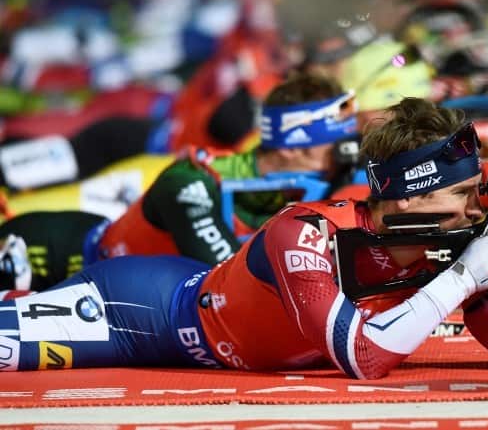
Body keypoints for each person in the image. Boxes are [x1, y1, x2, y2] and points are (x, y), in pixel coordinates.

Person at [0, 98, 488, 375]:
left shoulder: (453, 245)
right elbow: (363, 356)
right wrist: (463, 277)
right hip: (137, 314)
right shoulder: (308, 230)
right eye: (463, 192)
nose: (477, 205)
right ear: (410, 192)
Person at [0, 72, 357, 292]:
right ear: (292, 147)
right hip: (51, 256)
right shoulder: (193, 182)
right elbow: (233, 280)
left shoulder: (298, 182)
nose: (341, 161)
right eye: (333, 148)